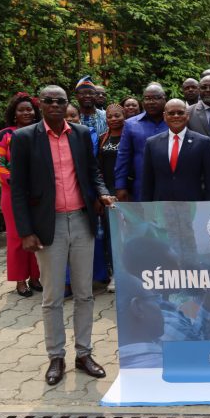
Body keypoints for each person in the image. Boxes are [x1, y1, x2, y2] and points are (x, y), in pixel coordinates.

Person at [10, 85, 115, 386]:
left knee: (84, 293)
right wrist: (25, 232)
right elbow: (18, 189)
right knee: (53, 296)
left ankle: (84, 353)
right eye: (49, 101)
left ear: (68, 104)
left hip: (82, 220)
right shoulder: (24, 138)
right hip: (48, 225)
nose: (55, 105)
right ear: (40, 104)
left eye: (60, 101)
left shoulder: (81, 134)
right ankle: (56, 356)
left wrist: (103, 193)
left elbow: (93, 172)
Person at [0, 93, 42, 297]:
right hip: (13, 194)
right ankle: (21, 281)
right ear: (14, 114)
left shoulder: (41, 132)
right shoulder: (4, 135)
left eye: (29, 109)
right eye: (21, 109)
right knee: (17, 237)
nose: (26, 112)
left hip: (38, 193)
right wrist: (17, 182)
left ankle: (36, 278)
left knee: (38, 236)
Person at [141, 99, 210, 201]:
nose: (176, 116)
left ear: (187, 115)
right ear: (165, 116)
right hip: (161, 206)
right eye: (171, 113)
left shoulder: (203, 142)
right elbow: (147, 181)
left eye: (180, 113)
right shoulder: (152, 143)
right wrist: (147, 208)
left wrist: (209, 207)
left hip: (194, 205)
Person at [114, 83, 168, 202]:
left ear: (164, 98)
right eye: (147, 98)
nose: (151, 102)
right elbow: (123, 156)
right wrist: (120, 186)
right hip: (141, 187)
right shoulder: (130, 124)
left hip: (170, 187)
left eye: (156, 98)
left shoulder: (174, 122)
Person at [98, 103, 125, 292]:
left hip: (126, 193)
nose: (114, 119)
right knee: (112, 236)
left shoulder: (130, 135)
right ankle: (116, 274)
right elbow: (97, 168)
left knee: (130, 235)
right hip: (109, 195)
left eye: (118, 115)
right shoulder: (102, 138)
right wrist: (103, 193)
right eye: (110, 116)